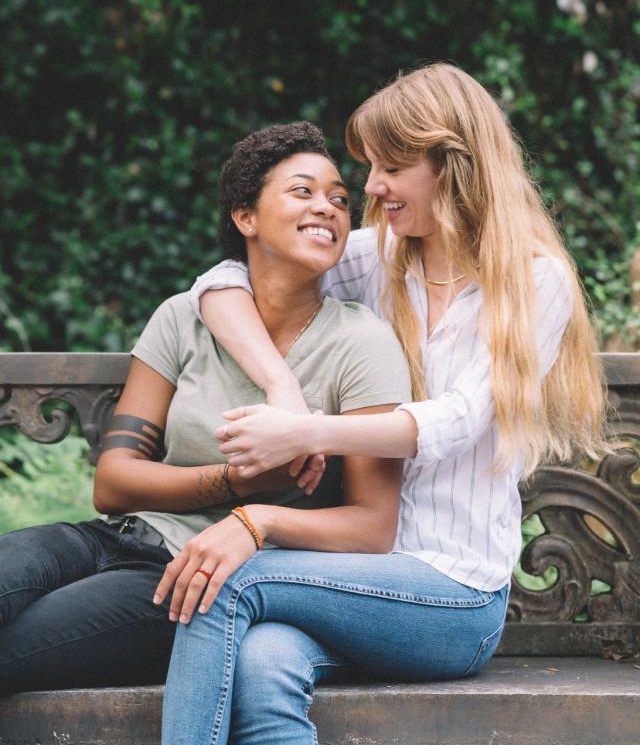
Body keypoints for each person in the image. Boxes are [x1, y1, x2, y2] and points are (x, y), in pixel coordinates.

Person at [160, 63, 606, 745]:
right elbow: (225, 278)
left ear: (452, 165)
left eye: (391, 167)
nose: (370, 188)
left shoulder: (533, 282)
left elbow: (458, 421)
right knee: (262, 662)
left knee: (225, 583)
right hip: (349, 573)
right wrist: (282, 387)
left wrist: (300, 435)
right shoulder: (379, 256)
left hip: (453, 596)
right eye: (370, 166)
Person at [0, 122, 411, 694]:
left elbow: (372, 527)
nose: (329, 207)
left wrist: (253, 515)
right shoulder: (184, 317)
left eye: (341, 199)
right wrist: (236, 480)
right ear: (246, 218)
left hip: (191, 579)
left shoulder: (360, 344)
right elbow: (114, 483)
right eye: (303, 191)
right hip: (111, 536)